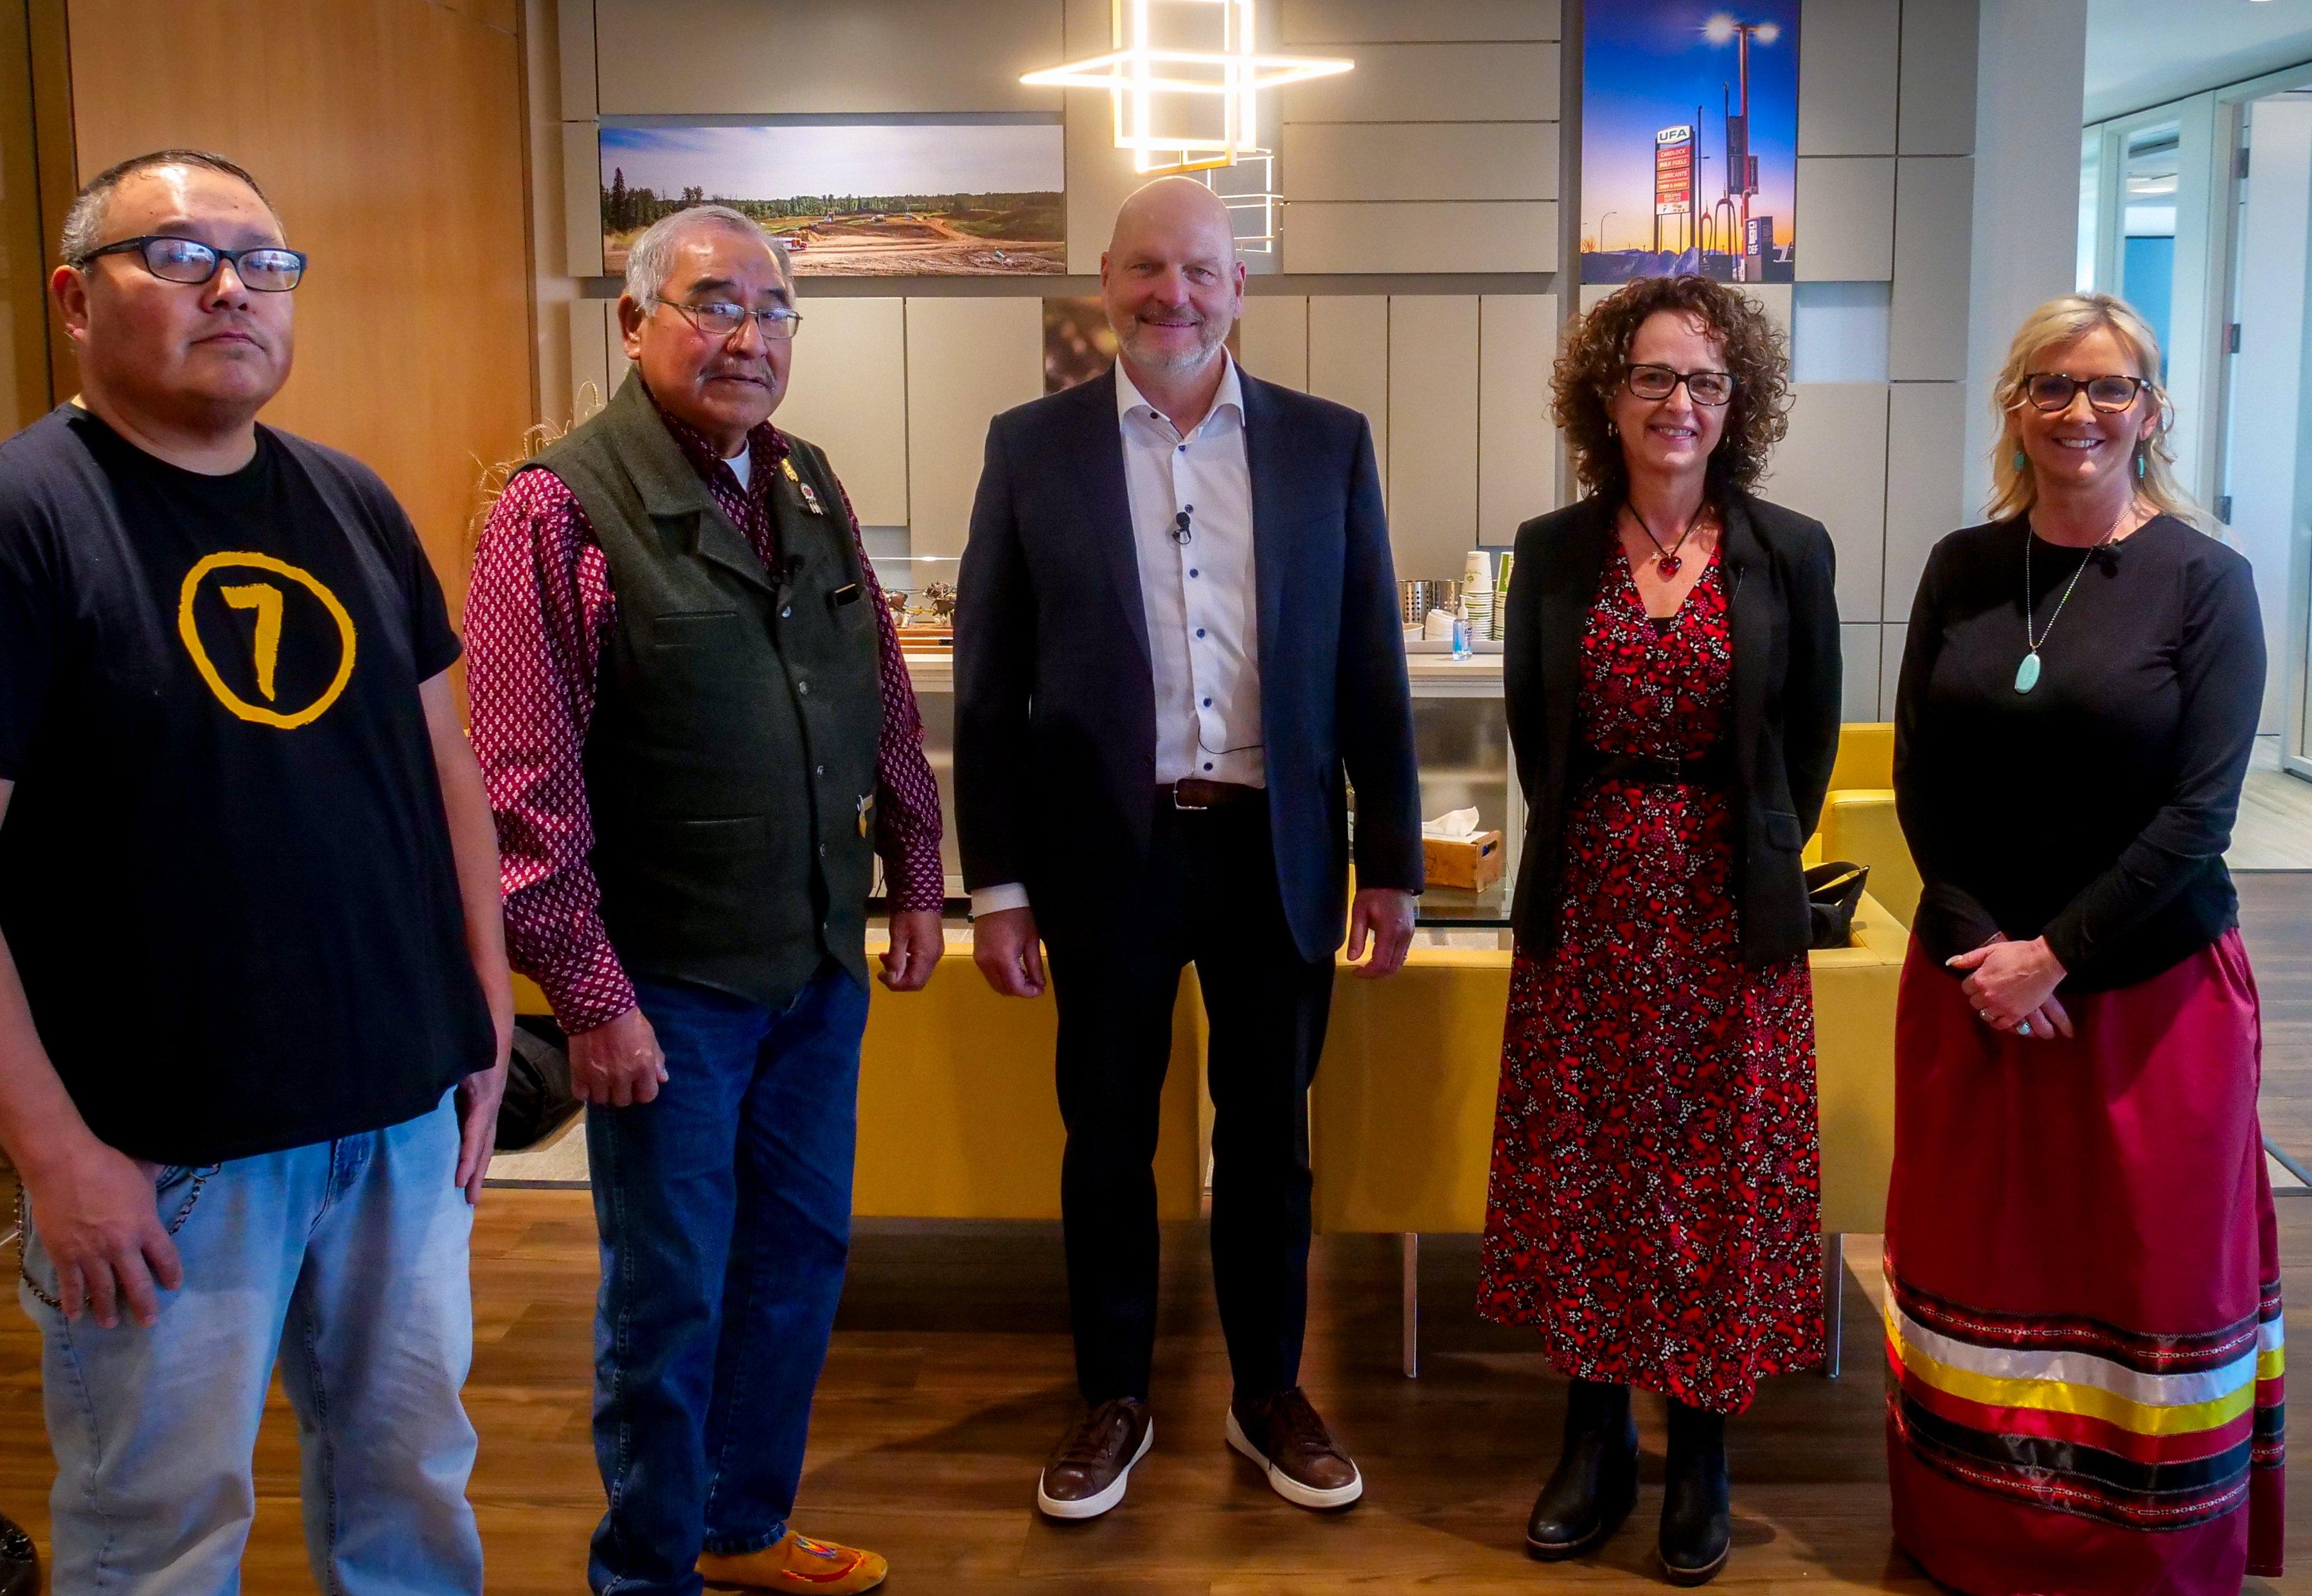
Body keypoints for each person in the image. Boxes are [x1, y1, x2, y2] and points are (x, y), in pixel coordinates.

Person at [0, 149, 511, 1594]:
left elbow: (444, 771)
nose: (233, 286)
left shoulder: (348, 500)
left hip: (396, 1119)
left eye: (266, 261)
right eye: (183, 254)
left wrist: (482, 1008)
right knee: (161, 1527)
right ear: (75, 300)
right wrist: (54, 1154)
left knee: (413, 1491)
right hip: (164, 1160)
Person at [465, 203, 942, 1596]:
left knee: (797, 1258)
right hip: (664, 988)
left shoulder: (808, 483)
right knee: (669, 1294)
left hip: (811, 964)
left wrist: (914, 866)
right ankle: (648, 1565)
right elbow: (525, 792)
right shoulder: (552, 511)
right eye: (712, 302)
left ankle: (742, 1523)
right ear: (633, 322)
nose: (750, 334)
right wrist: (593, 999)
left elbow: (882, 699)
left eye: (776, 307)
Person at [956, 177, 1423, 1521]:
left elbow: (1370, 664)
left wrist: (1387, 857)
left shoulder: (1325, 443)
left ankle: (1267, 1386)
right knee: (1105, 1137)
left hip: (1276, 849)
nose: (1174, 294)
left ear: (1238, 287)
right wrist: (1000, 886)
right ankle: (1113, 1393)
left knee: (1271, 1137)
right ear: (1107, 281)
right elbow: (989, 688)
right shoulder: (1030, 447)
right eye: (1147, 269)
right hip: (1108, 856)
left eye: (1199, 271)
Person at [1884, 292, 2279, 1596]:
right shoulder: (1961, 565)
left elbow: (2199, 815)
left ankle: (2144, 1558)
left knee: (2146, 1277)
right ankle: (1975, 1535)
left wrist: (2052, 955)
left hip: (2147, 992)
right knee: (1977, 1261)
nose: (2081, 412)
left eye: (2111, 389)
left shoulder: (2209, 582)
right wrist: (1978, 943)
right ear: (2016, 410)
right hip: (1973, 983)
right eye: (2053, 386)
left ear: (2151, 413)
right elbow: (1925, 782)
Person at [1477, 276, 1840, 1584]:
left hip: (1728, 915)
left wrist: (1739, 857)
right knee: (1588, 1179)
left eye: (1703, 381)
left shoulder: (1790, 548)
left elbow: (1803, 748)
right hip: (1589, 907)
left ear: (1735, 403)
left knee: (1714, 1185)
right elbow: (1536, 731)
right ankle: (1592, 1438)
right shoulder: (1554, 547)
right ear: (1606, 396)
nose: (1676, 402)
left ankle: (1699, 1450)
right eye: (1651, 376)